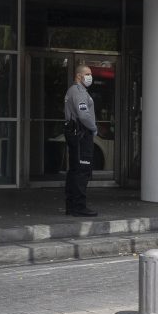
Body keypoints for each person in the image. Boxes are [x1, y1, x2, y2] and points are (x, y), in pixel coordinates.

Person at [65, 62, 98, 217]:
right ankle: (79, 206)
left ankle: (72, 206)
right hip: (81, 133)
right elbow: (84, 114)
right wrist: (93, 128)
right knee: (81, 171)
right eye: (87, 74)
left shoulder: (77, 91)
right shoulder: (78, 91)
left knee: (75, 170)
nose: (90, 77)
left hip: (76, 132)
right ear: (79, 76)